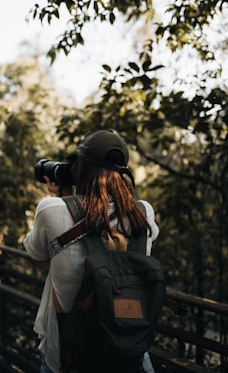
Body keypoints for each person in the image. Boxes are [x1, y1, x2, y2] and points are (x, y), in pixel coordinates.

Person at [23, 130, 159, 373]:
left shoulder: (49, 210)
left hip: (70, 356)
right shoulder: (143, 212)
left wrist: (63, 198)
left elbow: (40, 260)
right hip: (128, 356)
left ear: (79, 169)